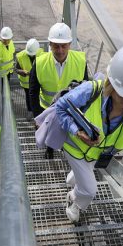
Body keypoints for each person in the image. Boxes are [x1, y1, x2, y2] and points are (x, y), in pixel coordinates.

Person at [57, 45, 123, 223]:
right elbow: (60, 107)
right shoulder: (90, 90)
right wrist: (77, 131)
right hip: (75, 148)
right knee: (89, 190)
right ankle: (74, 202)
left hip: (98, 152)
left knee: (85, 171)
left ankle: (74, 179)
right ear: (111, 83)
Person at [29, 22, 88, 158]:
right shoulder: (39, 63)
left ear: (70, 44)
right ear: (50, 44)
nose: (60, 50)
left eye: (64, 46)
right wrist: (37, 117)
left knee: (67, 133)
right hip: (48, 109)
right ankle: (49, 149)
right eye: (56, 46)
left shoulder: (80, 61)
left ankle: (64, 150)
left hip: (70, 110)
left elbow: (86, 89)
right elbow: (33, 92)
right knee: (49, 132)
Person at [15, 38, 44, 114]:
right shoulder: (20, 56)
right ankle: (30, 111)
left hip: (38, 81)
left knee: (39, 97)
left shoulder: (41, 53)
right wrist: (21, 71)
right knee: (29, 98)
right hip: (26, 84)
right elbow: (16, 69)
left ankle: (38, 112)